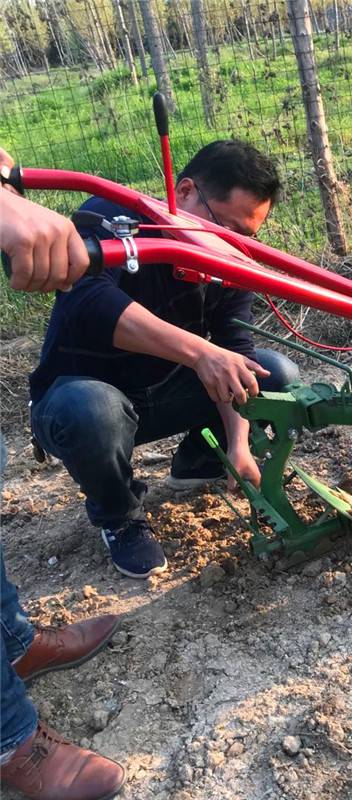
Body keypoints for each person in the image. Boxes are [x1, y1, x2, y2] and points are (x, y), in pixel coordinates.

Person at [28, 140, 300, 580]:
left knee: (274, 375)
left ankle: (200, 462)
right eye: (225, 226)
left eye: (246, 236)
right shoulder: (110, 219)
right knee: (92, 410)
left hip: (167, 393)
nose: (230, 244)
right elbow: (90, 302)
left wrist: (239, 444)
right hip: (82, 402)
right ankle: (119, 517)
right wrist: (201, 352)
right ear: (185, 191)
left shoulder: (227, 255)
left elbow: (236, 345)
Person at [1, 147, 126, 799]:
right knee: (90, 406)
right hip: (88, 394)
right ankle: (9, 740)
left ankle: (13, 644)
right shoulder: (113, 222)